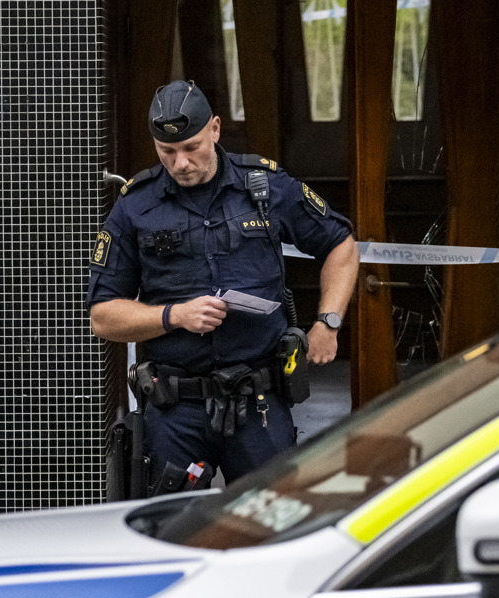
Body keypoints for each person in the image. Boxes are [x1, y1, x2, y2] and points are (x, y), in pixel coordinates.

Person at [88, 80, 358, 491]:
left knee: (271, 525)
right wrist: (173, 316)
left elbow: (341, 245)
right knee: (169, 532)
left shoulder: (265, 187)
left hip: (259, 402)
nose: (180, 163)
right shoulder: (134, 207)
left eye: (191, 147)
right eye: (167, 152)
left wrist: (328, 322)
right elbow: (103, 317)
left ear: (215, 129)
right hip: (175, 408)